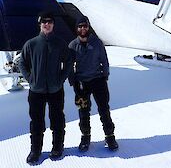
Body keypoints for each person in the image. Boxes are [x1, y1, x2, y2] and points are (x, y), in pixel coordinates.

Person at [19, 12, 72, 164]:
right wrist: (30, 79)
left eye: (49, 22)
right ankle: (35, 150)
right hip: (36, 91)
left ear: (53, 24)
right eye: (44, 22)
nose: (47, 24)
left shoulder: (60, 43)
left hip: (55, 89)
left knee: (57, 119)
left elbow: (68, 62)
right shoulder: (32, 44)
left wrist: (61, 79)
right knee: (36, 121)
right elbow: (22, 63)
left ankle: (57, 147)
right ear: (40, 24)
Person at [68, 16, 118, 152]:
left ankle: (110, 136)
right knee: (83, 111)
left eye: (85, 26)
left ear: (88, 27)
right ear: (76, 28)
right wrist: (74, 82)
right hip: (82, 84)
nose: (82, 28)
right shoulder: (72, 45)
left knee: (104, 110)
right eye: (80, 26)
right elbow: (69, 66)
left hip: (98, 81)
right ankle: (85, 137)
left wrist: (105, 76)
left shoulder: (97, 43)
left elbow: (104, 60)